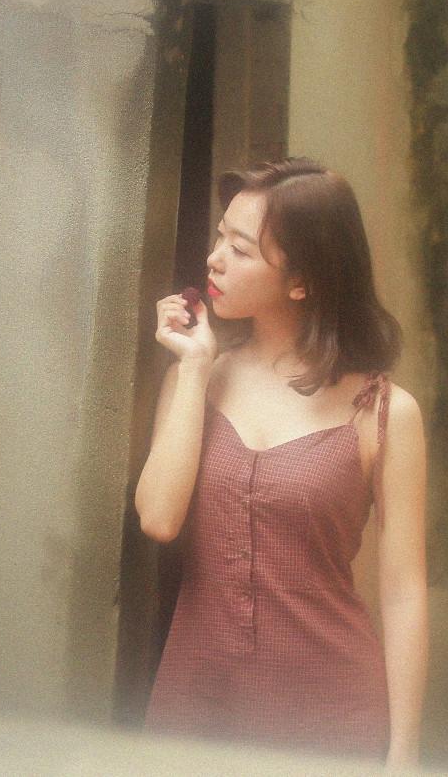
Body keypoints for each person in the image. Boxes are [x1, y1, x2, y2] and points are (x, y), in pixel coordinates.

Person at [136, 158, 428, 767]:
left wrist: (403, 755)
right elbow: (158, 519)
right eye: (221, 237)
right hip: (194, 712)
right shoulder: (196, 380)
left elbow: (403, 591)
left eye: (240, 249)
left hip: (331, 721)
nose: (214, 259)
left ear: (301, 281)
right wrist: (194, 369)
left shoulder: (386, 412)